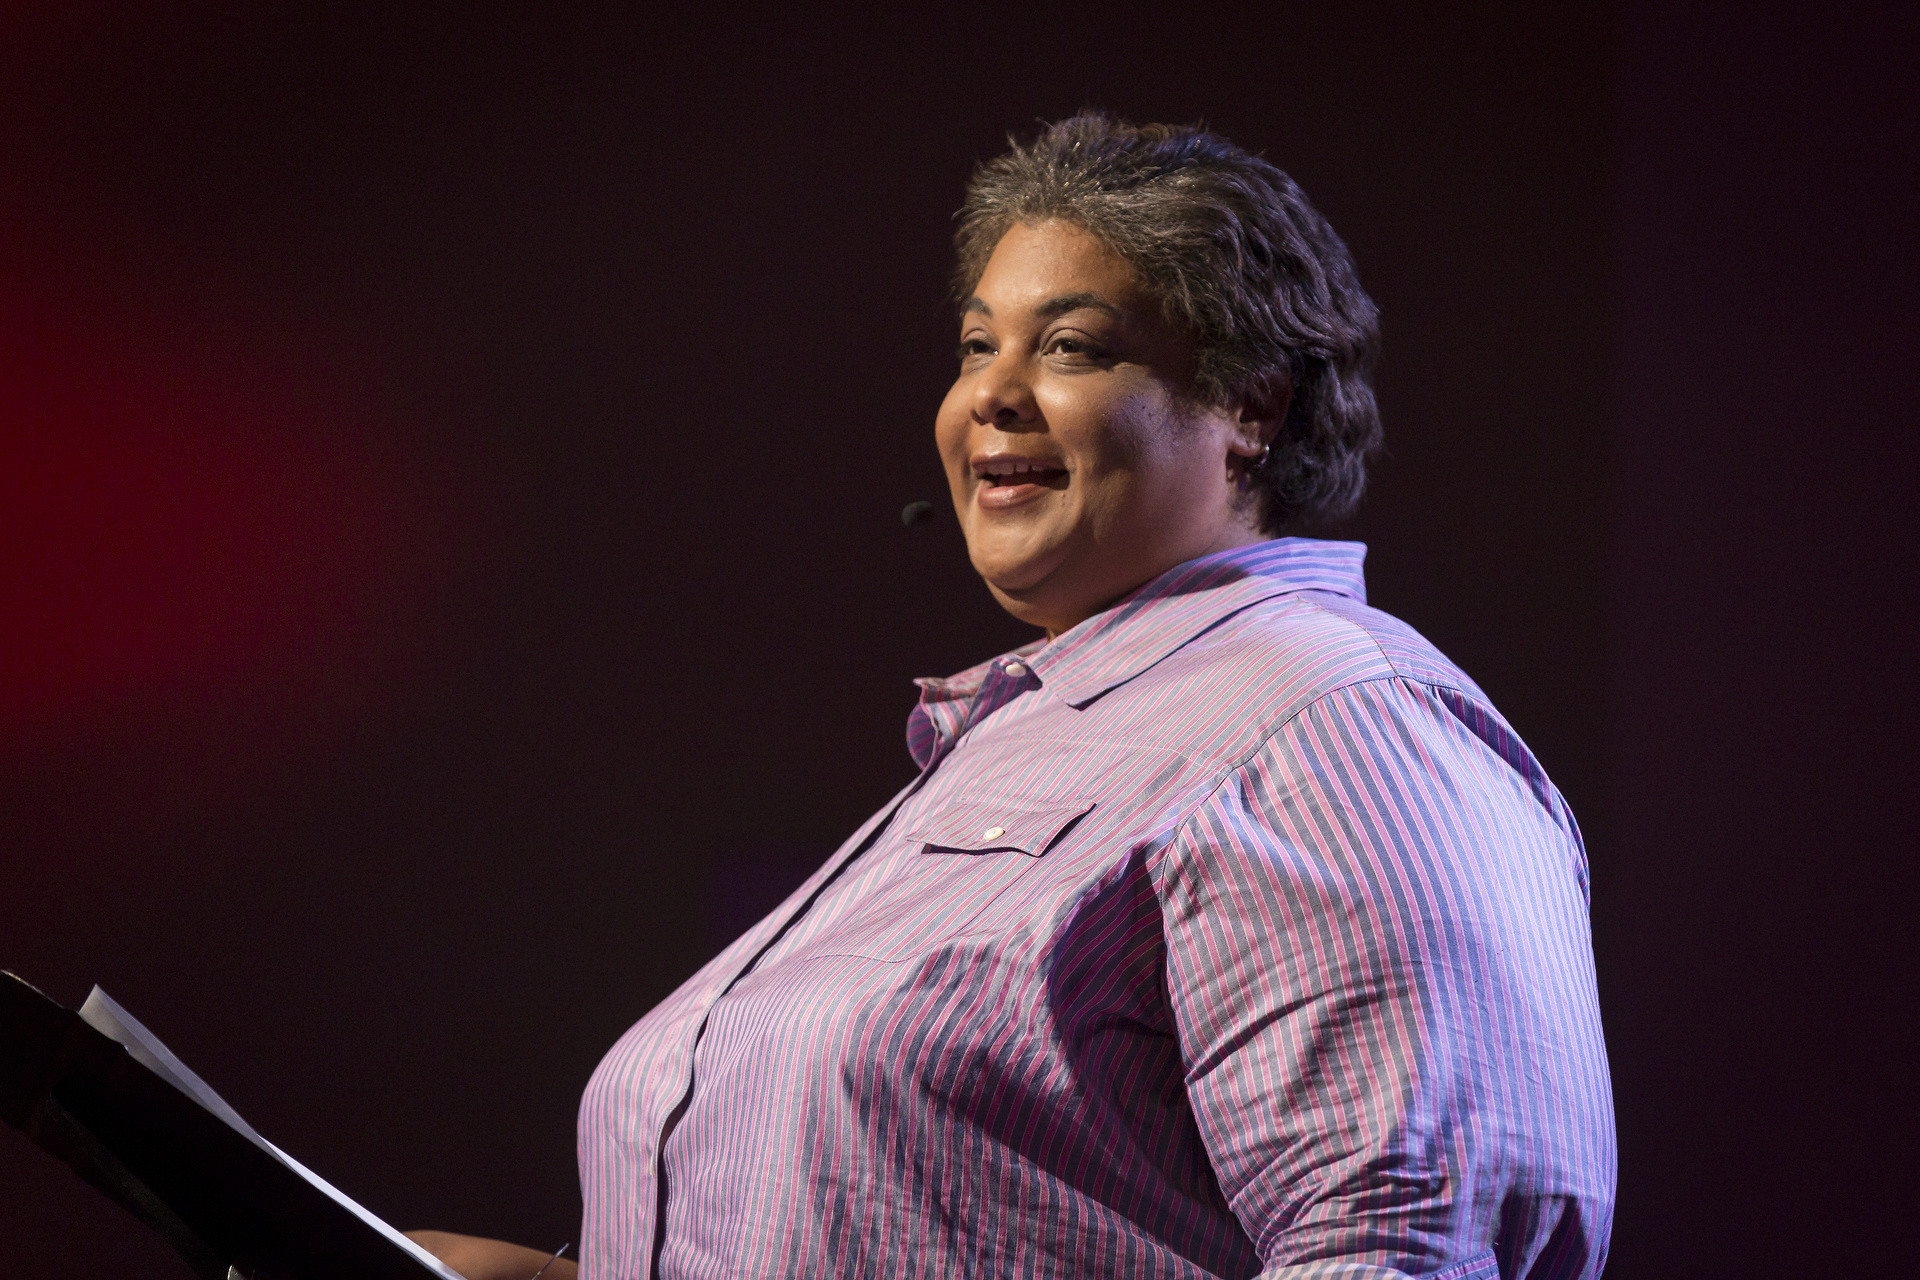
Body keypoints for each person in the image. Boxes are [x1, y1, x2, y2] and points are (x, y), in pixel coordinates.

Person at [414, 113, 1614, 1280]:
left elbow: (1409, 1244)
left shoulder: (1337, 724)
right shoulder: (1041, 735)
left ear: (1251, 407)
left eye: (1073, 346)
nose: (991, 392)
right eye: (976, 346)